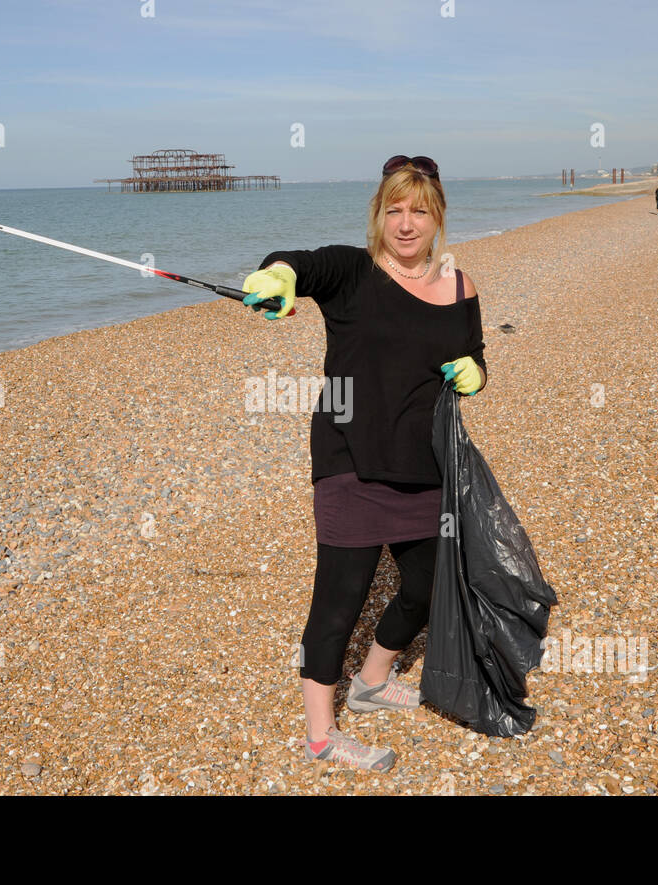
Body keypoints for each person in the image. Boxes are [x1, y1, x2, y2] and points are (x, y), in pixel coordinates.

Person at [242, 154, 488, 773]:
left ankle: (373, 681)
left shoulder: (461, 286)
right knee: (339, 600)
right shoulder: (353, 273)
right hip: (349, 457)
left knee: (428, 586)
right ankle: (321, 734)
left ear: (439, 218)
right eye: (394, 210)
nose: (406, 225)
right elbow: (297, 263)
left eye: (420, 211)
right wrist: (277, 279)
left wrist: (476, 372)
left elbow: (475, 349)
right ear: (378, 215)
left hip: (424, 461)